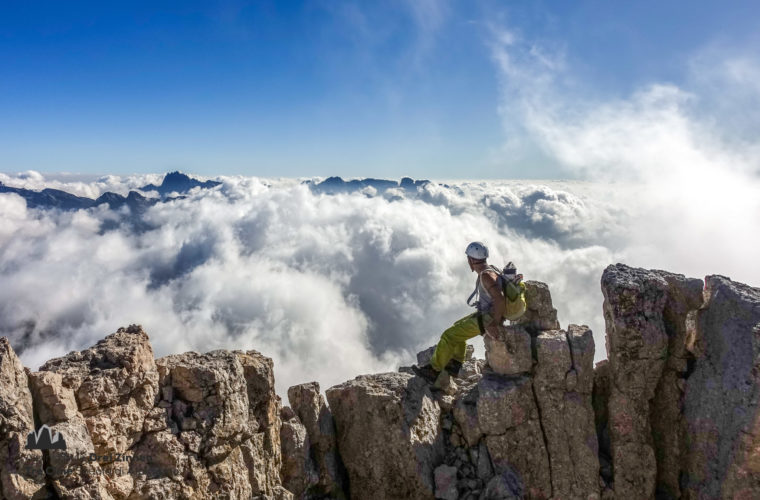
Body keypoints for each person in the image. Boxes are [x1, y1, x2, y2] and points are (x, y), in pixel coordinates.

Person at [413, 241, 506, 384]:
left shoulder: (486, 276)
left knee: (449, 335)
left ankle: (433, 371)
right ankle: (455, 364)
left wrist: (495, 322)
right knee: (457, 326)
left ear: (470, 260)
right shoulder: (490, 270)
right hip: (486, 314)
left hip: (487, 318)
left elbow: (499, 297)